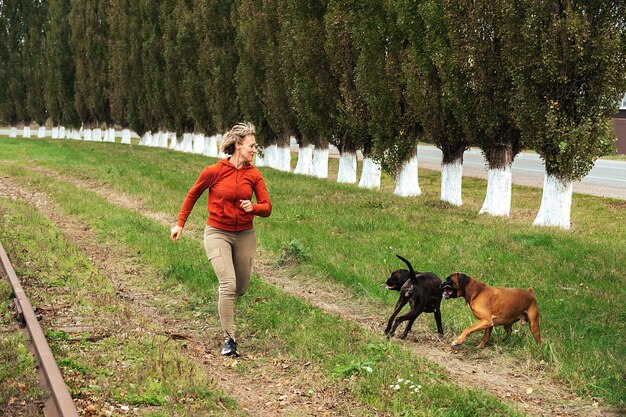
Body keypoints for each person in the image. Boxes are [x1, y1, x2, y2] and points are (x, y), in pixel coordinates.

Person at [170, 122, 272, 357]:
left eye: (255, 146)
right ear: (238, 145)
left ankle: (225, 304)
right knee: (228, 284)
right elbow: (193, 194)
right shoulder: (214, 171)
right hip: (217, 232)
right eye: (251, 146)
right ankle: (230, 340)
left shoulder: (254, 175)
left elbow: (267, 208)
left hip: (245, 234)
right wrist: (180, 224)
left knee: (241, 287)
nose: (254, 150)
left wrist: (253, 207)